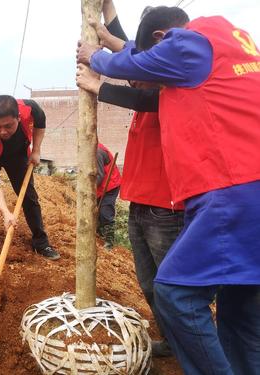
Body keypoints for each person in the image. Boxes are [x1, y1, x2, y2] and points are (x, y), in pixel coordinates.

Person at [78, 7, 260, 374]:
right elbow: (137, 52)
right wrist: (110, 29)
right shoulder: (227, 43)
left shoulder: (190, 44)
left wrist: (93, 58)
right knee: (240, 306)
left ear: (163, 39)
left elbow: (132, 64)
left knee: (175, 293)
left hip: (230, 191)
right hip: (246, 190)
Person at [77, 0, 185, 357]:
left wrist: (99, 86)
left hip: (167, 205)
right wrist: (107, 15)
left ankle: (194, 355)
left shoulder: (175, 76)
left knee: (174, 289)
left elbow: (144, 94)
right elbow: (131, 55)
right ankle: (174, 343)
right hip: (142, 200)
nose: (137, 63)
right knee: (150, 286)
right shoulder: (151, 66)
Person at [0, 95, 60, 268]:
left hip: (17, 155)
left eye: (8, 126)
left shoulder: (29, 109)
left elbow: (41, 121)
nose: (3, 131)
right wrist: (6, 213)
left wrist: (37, 151)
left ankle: (41, 242)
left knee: (29, 196)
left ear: (18, 117)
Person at [96, 142, 121, 250]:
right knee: (97, 212)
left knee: (105, 212)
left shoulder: (97, 152)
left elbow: (99, 176)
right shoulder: (90, 149)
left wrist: (87, 189)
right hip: (100, 188)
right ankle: (100, 234)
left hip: (110, 186)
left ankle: (109, 241)